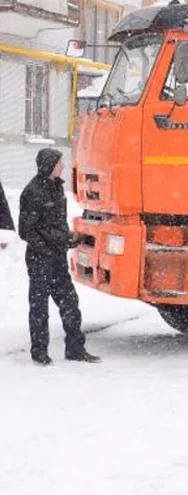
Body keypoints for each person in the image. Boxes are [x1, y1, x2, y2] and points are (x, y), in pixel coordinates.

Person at [19, 148, 98, 366]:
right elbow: (26, 231)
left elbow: (53, 226)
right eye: (58, 163)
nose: (62, 166)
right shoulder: (32, 192)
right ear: (48, 165)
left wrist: (68, 238)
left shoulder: (56, 189)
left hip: (57, 258)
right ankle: (39, 352)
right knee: (39, 307)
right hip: (40, 260)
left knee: (69, 302)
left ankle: (75, 348)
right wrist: (47, 248)